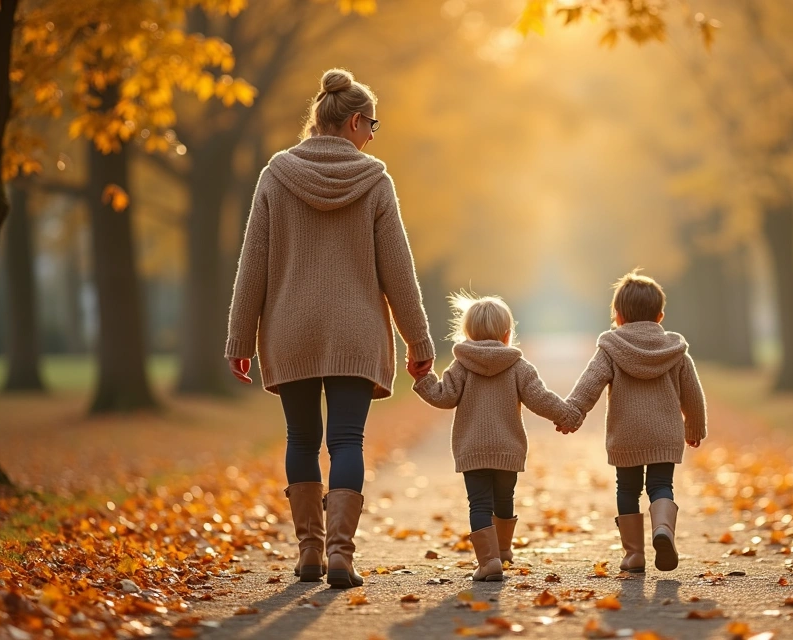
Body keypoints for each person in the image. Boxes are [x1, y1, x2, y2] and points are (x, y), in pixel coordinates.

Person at [224, 68, 435, 589]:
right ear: (356, 120)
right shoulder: (375, 180)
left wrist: (239, 339)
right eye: (372, 126)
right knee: (346, 440)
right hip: (356, 332)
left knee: (301, 437)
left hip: (289, 328)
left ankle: (310, 554)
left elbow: (253, 264)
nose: (371, 136)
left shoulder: (276, 174)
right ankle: (342, 554)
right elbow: (398, 271)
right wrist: (419, 340)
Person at [411, 293, 581, 582]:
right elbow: (541, 399)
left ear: (467, 333)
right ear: (507, 334)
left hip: (472, 449)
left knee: (479, 504)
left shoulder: (460, 366)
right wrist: (567, 415)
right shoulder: (519, 367)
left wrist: (422, 379)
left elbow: (443, 396)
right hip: (507, 449)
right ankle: (502, 551)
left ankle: (489, 561)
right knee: (505, 499)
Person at [560, 270, 707, 573]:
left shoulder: (611, 348)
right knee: (661, 485)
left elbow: (589, 386)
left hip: (626, 435)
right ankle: (662, 530)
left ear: (618, 315)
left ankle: (634, 554)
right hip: (664, 434)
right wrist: (694, 428)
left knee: (627, 489)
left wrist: (571, 415)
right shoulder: (676, 351)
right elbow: (693, 395)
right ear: (660, 315)